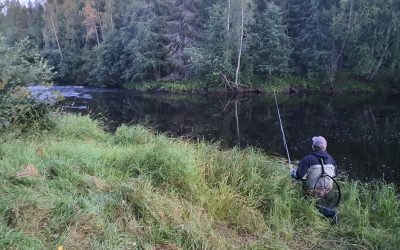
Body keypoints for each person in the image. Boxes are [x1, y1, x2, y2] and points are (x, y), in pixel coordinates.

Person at [290, 136, 339, 223]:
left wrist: (292, 173)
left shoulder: (307, 159)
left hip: (312, 192)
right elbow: (335, 175)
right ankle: (325, 207)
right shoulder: (331, 160)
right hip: (327, 191)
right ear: (325, 147)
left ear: (313, 146)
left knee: (315, 207)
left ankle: (329, 213)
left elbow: (299, 176)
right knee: (322, 203)